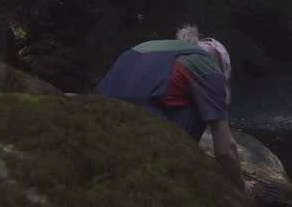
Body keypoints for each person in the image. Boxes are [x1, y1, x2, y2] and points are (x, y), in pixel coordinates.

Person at [96, 24, 252, 199]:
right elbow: (225, 150)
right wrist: (241, 186)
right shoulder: (207, 66)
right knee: (202, 106)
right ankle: (180, 167)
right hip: (147, 146)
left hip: (100, 128)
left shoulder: (147, 46)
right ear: (220, 64)